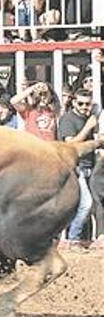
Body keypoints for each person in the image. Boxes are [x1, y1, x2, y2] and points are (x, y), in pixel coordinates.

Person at [57, 88, 98, 246]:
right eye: (80, 103)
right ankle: (73, 239)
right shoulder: (68, 119)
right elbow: (70, 144)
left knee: (92, 205)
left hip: (91, 167)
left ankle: (82, 238)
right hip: (75, 168)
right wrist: (88, 127)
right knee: (85, 204)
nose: (84, 107)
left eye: (87, 104)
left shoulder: (91, 118)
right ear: (74, 102)